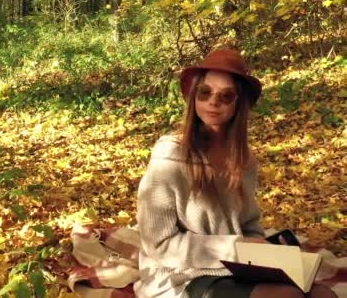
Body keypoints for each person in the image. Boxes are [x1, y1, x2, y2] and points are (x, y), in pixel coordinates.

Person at [134, 49, 337, 298]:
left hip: (235, 269)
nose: (213, 102)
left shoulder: (244, 161)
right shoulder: (170, 155)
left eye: (226, 96)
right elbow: (159, 245)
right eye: (205, 92)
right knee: (286, 296)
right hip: (179, 275)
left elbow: (249, 225)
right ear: (193, 97)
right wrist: (235, 248)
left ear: (239, 104)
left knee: (323, 294)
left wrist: (261, 253)